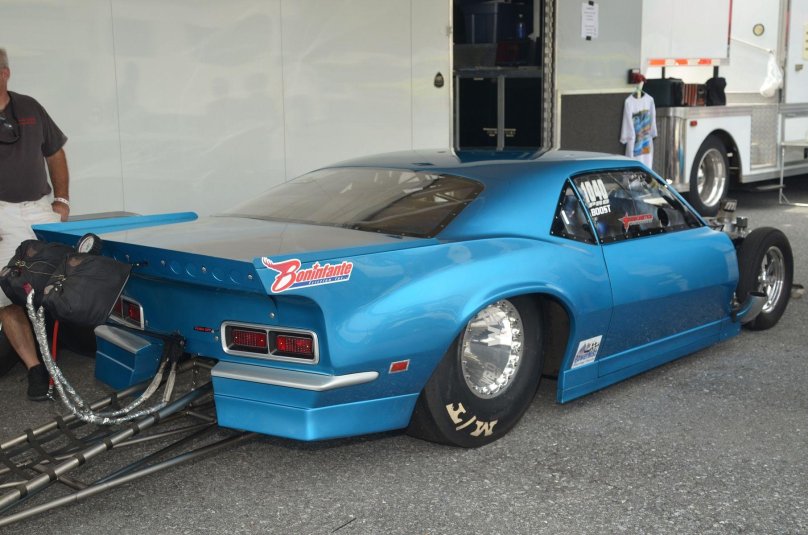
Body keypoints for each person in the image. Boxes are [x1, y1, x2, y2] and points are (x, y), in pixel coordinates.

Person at [0, 47, 70, 400]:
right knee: (7, 295)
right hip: (1, 214)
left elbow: (54, 152)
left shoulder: (29, 107)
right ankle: (34, 369)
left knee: (59, 286)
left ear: (5, 73)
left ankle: (57, 354)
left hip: (39, 210)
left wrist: (63, 200)